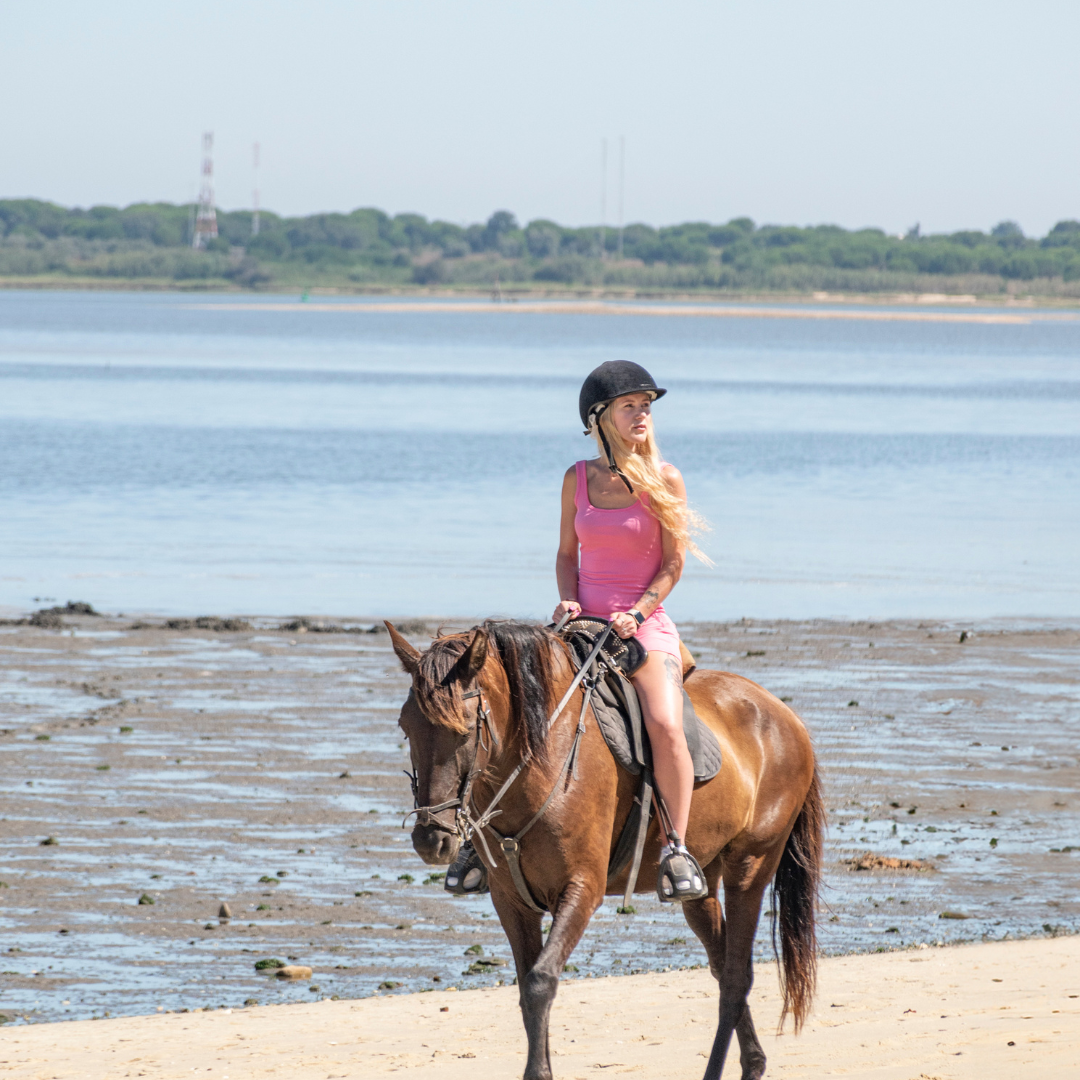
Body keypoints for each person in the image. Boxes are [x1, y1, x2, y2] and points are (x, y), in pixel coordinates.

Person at [552, 360, 711, 902]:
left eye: (646, 406)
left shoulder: (666, 479)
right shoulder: (577, 477)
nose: (642, 414)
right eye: (630, 405)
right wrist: (568, 600)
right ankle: (481, 843)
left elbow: (673, 565)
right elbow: (565, 555)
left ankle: (677, 849)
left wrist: (639, 613)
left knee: (665, 723)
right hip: (581, 624)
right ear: (600, 417)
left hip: (643, 627)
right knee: (519, 702)